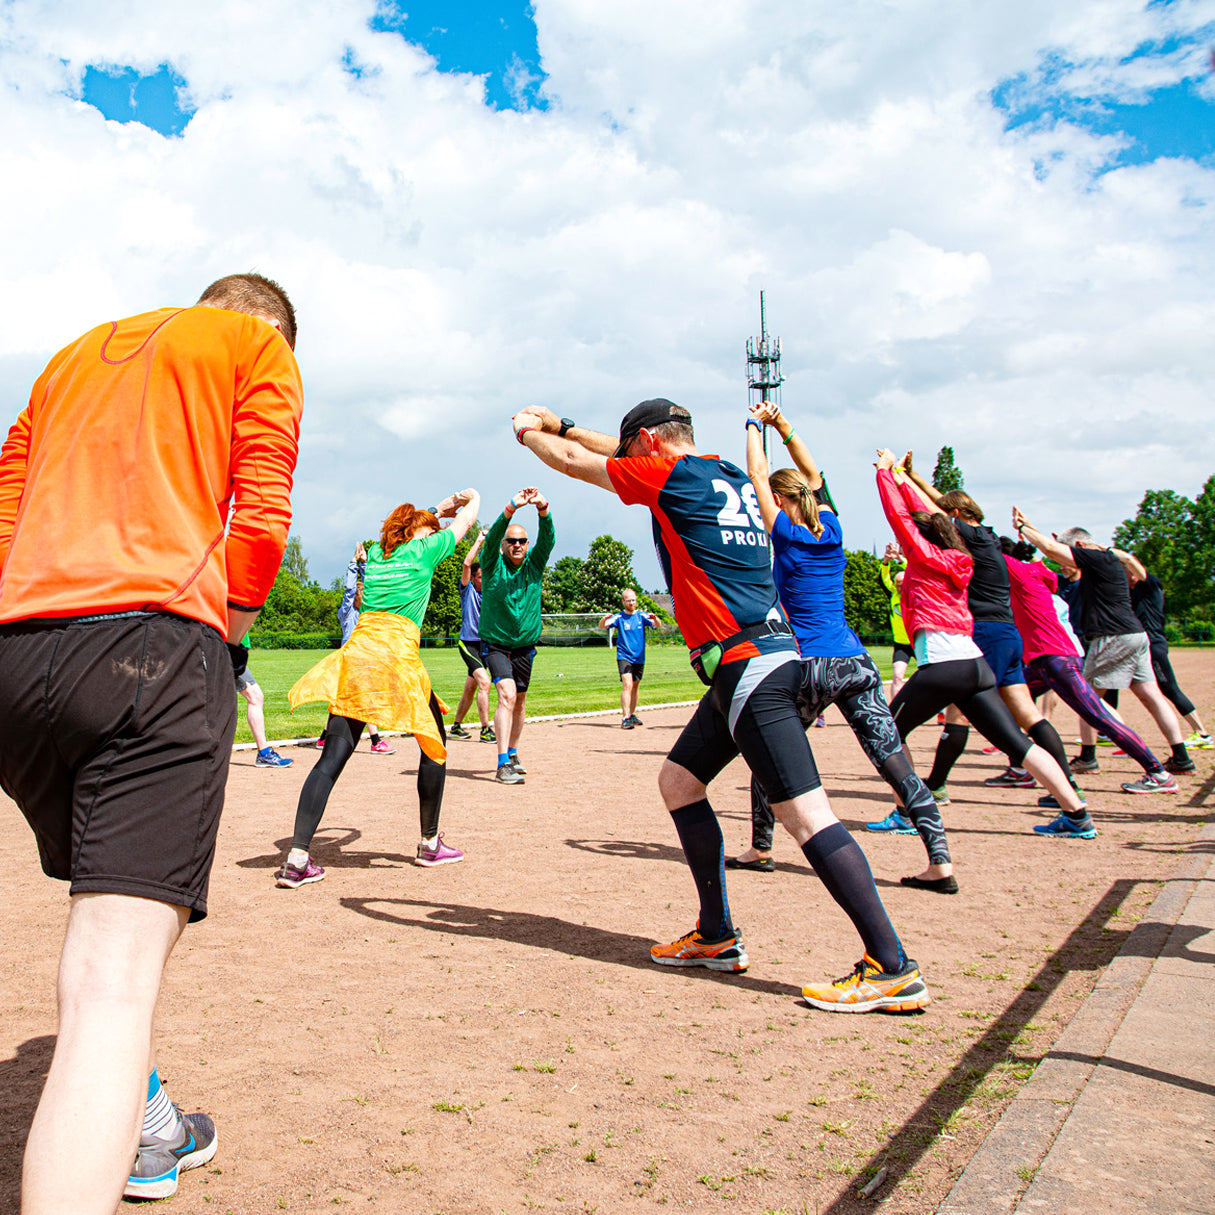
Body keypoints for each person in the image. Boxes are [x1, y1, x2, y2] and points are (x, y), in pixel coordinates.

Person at [0, 273, 302, 1209]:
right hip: (154, 648)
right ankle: (135, 1138)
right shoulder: (256, 349)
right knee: (109, 985)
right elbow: (259, 509)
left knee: (100, 941)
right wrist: (236, 625)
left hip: (18, 652)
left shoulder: (72, 355)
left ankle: (150, 1115)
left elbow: (8, 499)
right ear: (276, 328)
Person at [512, 400, 931, 1013]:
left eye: (633, 449)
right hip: (759, 657)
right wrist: (566, 422)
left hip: (748, 668)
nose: (626, 459)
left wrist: (530, 434)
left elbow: (578, 463)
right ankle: (716, 935)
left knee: (808, 818)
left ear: (651, 441)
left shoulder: (667, 476)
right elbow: (602, 445)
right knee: (679, 782)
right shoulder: (724, 473)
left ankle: (890, 965)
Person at [729, 403, 955, 891]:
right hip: (855, 661)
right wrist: (782, 425)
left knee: (768, 752)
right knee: (893, 760)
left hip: (812, 664)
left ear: (779, 499)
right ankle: (940, 861)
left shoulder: (785, 533)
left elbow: (757, 470)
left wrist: (751, 424)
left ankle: (761, 848)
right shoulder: (831, 527)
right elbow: (813, 474)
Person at [875, 453, 1094, 839]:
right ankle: (1076, 814)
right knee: (1016, 741)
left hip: (946, 665)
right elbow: (925, 518)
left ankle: (908, 812)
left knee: (887, 732)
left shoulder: (925, 557)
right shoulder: (963, 557)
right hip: (976, 664)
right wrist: (904, 477)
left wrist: (886, 473)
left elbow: (899, 515)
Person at [280, 489, 481, 886]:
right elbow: (467, 521)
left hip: (358, 656)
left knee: (331, 758)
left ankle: (297, 858)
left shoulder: (377, 555)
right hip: (396, 656)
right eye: (429, 528)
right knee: (434, 745)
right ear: (417, 533)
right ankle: (429, 844)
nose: (433, 530)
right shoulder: (425, 552)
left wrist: (436, 508)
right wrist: (470, 496)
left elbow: (418, 523)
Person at [1011, 512, 1195, 777]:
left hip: (1111, 637)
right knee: (1152, 696)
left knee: (1090, 702)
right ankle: (1181, 757)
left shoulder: (1094, 558)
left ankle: (1091, 758)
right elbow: (1052, 550)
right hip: (1134, 634)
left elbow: (1051, 549)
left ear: (1081, 547)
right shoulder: (1107, 560)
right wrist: (1033, 534)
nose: (1066, 563)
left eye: (1072, 554)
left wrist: (1024, 527)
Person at [478, 488, 555, 784]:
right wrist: (510, 508)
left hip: (525, 647)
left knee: (520, 701)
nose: (518, 545)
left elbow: (548, 540)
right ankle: (501, 763)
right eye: (512, 541)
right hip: (497, 646)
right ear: (503, 545)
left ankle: (512, 752)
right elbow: (497, 532)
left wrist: (542, 509)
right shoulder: (492, 565)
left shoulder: (534, 567)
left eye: (523, 540)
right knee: (506, 695)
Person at [314, 542, 396, 755]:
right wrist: (354, 563)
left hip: (362, 659)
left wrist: (366, 563)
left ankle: (324, 738)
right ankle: (376, 741)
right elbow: (350, 590)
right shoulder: (348, 613)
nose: (364, 597)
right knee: (365, 698)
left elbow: (371, 587)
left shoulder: (368, 613)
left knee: (340, 701)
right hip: (351, 660)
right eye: (362, 594)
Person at [1126, 565, 1212, 749]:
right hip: (1137, 645)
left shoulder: (1150, 585)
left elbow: (1135, 567)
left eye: (1124, 570)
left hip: (1153, 645)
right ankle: (1113, 736)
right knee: (1111, 688)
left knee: (1169, 688)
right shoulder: (1128, 593)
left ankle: (1203, 734)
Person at [449, 530, 495, 742]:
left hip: (486, 644)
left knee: (471, 687)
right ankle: (486, 729)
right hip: (468, 644)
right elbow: (467, 564)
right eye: (480, 576)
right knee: (484, 683)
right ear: (474, 578)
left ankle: (456, 726)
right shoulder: (468, 592)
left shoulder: (489, 593)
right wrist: (479, 540)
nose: (483, 579)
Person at [600, 588, 660, 728]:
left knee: (635, 686)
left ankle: (632, 715)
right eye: (628, 600)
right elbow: (603, 626)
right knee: (627, 685)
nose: (631, 603)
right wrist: (603, 620)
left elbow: (657, 625)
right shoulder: (619, 617)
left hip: (639, 657)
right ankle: (625, 717)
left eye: (633, 600)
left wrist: (655, 618)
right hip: (624, 656)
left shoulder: (642, 616)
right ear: (623, 601)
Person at [236, 646, 293, 767]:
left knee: (255, 697)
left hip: (231, 651)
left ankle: (264, 752)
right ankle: (264, 753)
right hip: (225, 650)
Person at [880, 544, 914, 701]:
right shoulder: (893, 594)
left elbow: (912, 570)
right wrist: (886, 562)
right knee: (897, 676)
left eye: (902, 583)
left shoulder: (913, 592)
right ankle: (894, 712)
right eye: (897, 584)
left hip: (918, 641)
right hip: (901, 644)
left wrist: (900, 559)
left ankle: (941, 713)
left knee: (935, 676)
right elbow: (883, 579)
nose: (899, 586)